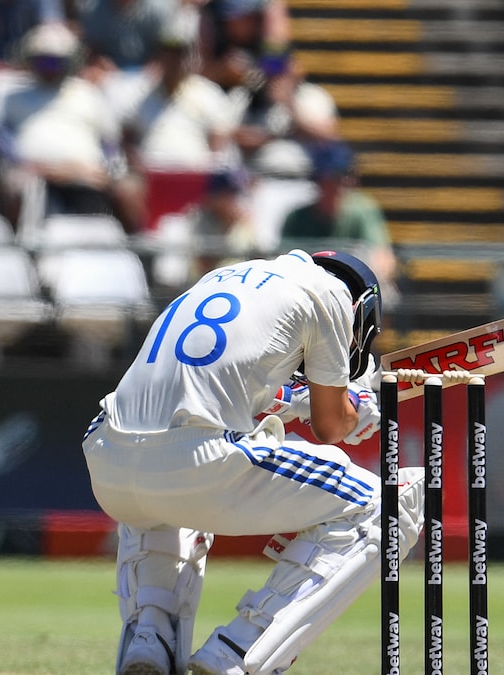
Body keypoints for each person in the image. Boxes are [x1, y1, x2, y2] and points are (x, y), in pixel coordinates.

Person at [81, 249, 425, 675]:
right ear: (362, 309)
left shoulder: (222, 279)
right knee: (387, 507)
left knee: (167, 490)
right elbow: (332, 426)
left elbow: (234, 388)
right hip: (200, 462)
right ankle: (237, 652)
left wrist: (312, 402)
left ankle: (151, 637)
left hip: (107, 457)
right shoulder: (332, 294)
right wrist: (358, 406)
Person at [0, 21, 122, 224]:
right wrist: (28, 163)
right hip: (32, 174)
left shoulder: (87, 93)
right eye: (43, 61)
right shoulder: (12, 95)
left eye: (55, 62)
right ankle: (23, 251)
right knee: (16, 187)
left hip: (84, 175)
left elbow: (109, 142)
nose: (49, 68)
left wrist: (102, 168)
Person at [114, 18, 243, 231]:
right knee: (125, 191)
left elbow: (219, 144)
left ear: (190, 56)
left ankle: (240, 253)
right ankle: (143, 255)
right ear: (159, 54)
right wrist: (139, 166)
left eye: (180, 52)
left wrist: (203, 171)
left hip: (198, 179)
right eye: (169, 51)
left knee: (230, 202)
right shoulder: (137, 94)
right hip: (151, 177)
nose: (174, 59)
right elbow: (126, 142)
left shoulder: (208, 93)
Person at [280, 142, 398, 298]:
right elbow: (282, 263)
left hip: (354, 285)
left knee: (385, 292)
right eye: (331, 178)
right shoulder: (296, 217)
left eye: (344, 176)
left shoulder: (362, 209)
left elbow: (383, 258)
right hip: (310, 289)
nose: (340, 184)